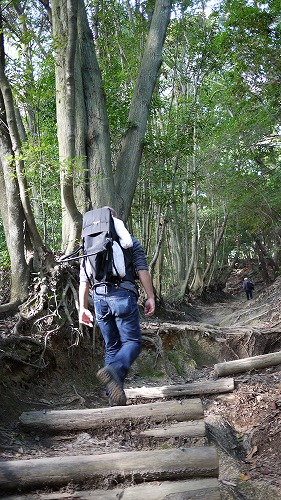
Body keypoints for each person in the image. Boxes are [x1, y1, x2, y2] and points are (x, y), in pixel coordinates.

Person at [78, 208, 155, 407]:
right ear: (115, 220)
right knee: (132, 342)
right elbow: (142, 270)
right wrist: (150, 296)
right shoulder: (129, 242)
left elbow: (84, 280)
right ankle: (114, 372)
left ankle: (114, 399)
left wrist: (82, 308)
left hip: (99, 299)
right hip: (122, 295)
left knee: (112, 346)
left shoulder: (89, 245)